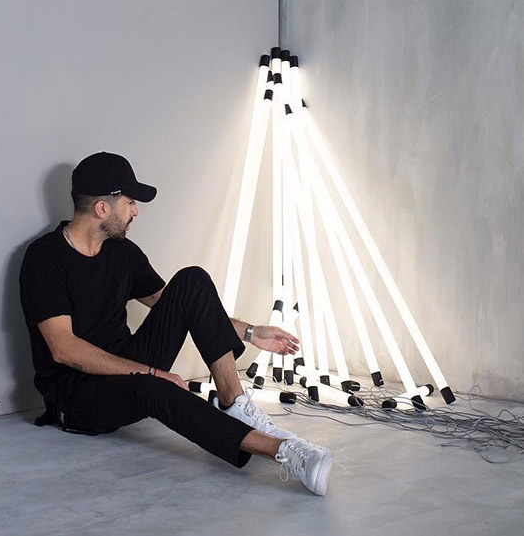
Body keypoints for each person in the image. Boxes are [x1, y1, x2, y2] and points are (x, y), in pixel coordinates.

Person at [19, 152, 334, 495]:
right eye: (130, 202)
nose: (136, 211)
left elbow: (175, 302)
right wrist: (151, 374)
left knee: (192, 280)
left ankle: (235, 404)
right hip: (77, 395)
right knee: (155, 388)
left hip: (127, 366)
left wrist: (250, 332)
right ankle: (284, 451)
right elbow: (64, 349)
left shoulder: (122, 252)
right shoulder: (44, 258)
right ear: (102, 208)